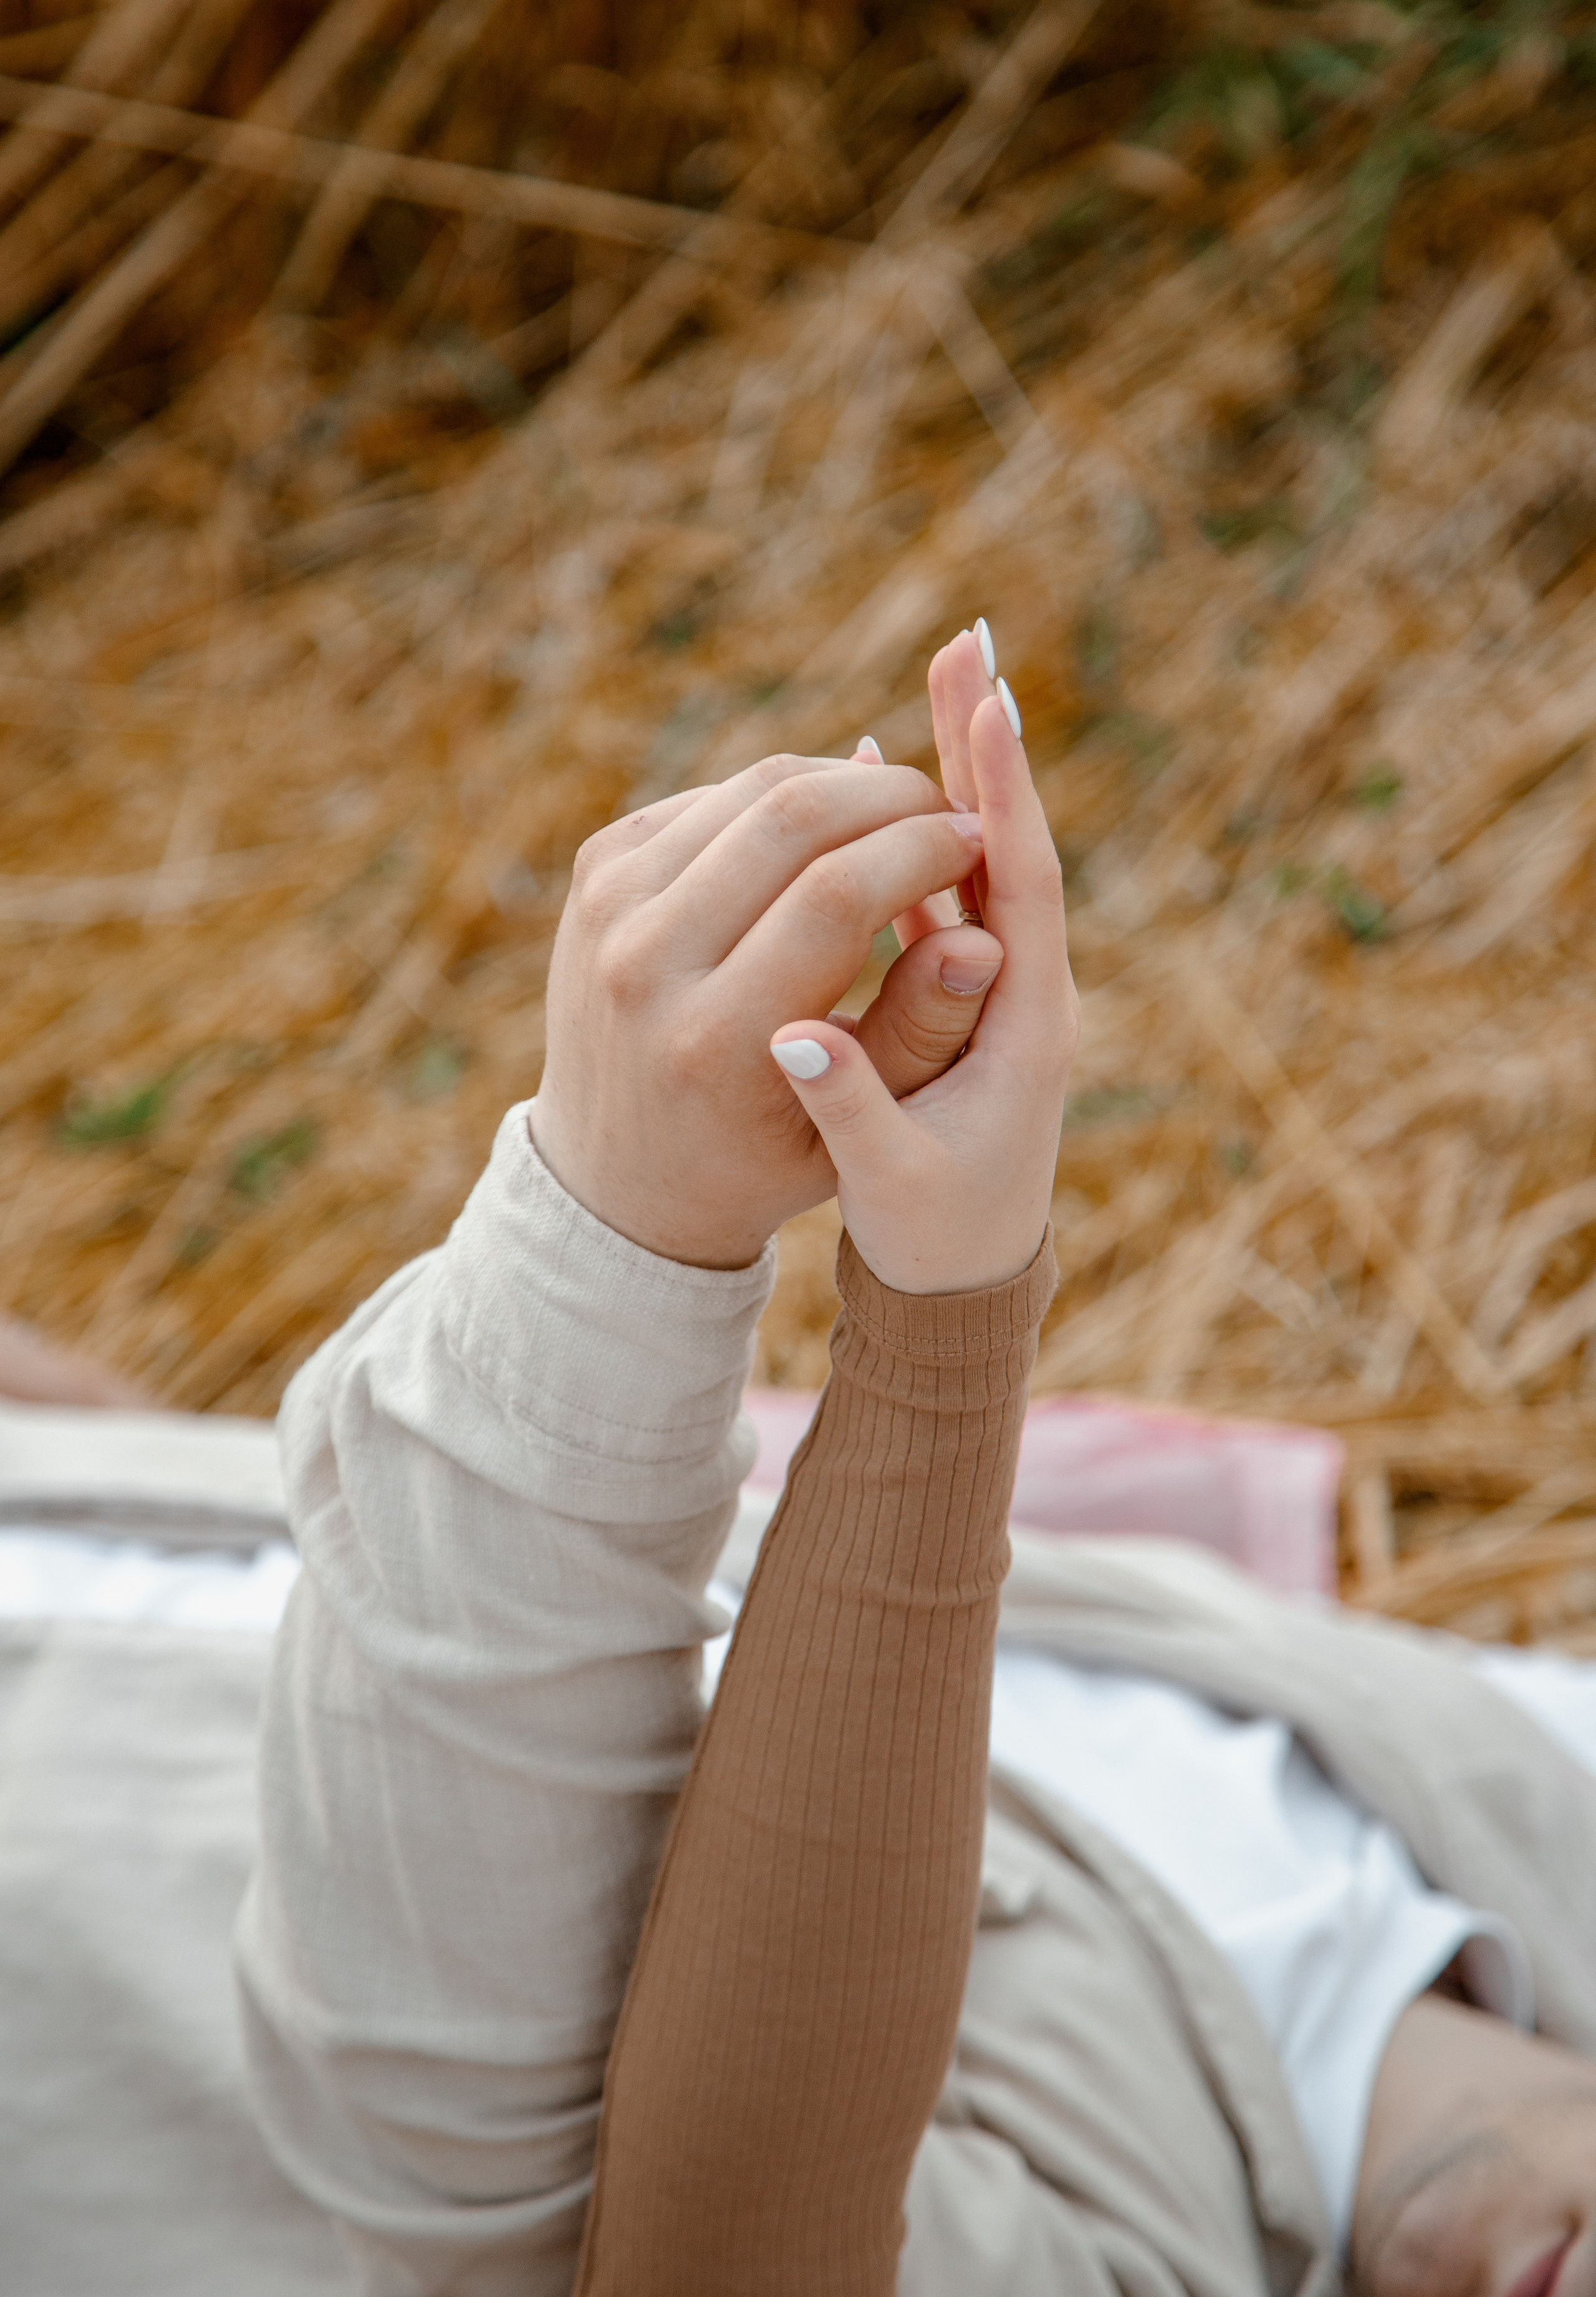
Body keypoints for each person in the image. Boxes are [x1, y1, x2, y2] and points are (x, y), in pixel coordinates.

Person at [3, 631, 1595, 2297]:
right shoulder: (1514, 1787)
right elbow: (276, 1532)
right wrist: (109, 1435)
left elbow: (607, 2216)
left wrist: (704, 1262)